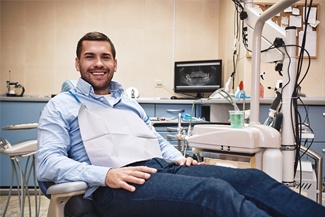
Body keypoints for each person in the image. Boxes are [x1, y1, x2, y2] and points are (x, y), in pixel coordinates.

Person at [36, 31, 325, 217]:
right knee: (213, 193)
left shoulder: (128, 102)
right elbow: (47, 163)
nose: (98, 63)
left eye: (105, 57)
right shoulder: (61, 105)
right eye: (90, 57)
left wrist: (179, 158)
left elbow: (153, 140)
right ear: (77, 63)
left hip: (162, 167)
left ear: (115, 63)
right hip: (117, 186)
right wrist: (105, 174)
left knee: (254, 180)